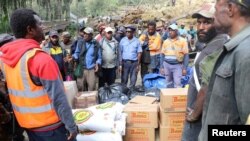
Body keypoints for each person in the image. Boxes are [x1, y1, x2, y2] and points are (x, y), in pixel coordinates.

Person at [0, 9, 77, 141]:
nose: (43, 28)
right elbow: (59, 98)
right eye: (40, 24)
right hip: (52, 129)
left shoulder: (5, 60)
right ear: (30, 29)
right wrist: (71, 126)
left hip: (29, 127)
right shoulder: (40, 59)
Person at [198, 0, 250, 141]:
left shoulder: (246, 52)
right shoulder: (235, 47)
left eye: (215, 9)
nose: (214, 16)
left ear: (230, 9)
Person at [181, 3, 228, 141]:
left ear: (219, 22)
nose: (201, 27)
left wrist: (194, 114)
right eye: (199, 22)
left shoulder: (215, 48)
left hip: (200, 118)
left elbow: (207, 87)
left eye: (207, 22)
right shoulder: (216, 43)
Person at [73, 27, 102, 91]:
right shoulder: (80, 42)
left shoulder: (96, 44)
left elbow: (99, 57)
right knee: (80, 87)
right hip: (82, 68)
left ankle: (92, 101)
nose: (85, 35)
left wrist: (97, 63)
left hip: (91, 69)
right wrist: (74, 57)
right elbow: (76, 53)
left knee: (92, 88)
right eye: (84, 33)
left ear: (91, 35)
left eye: (87, 34)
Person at [161, 23, 189, 88]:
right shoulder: (165, 41)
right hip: (167, 65)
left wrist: (184, 68)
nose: (170, 32)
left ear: (176, 31)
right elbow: (162, 55)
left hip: (177, 66)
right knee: (168, 83)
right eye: (169, 30)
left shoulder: (183, 41)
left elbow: (186, 55)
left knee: (177, 83)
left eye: (172, 30)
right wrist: (162, 67)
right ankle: (169, 97)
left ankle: (176, 97)